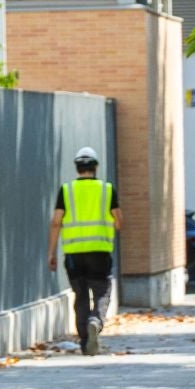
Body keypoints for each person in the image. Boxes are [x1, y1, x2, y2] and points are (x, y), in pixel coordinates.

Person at [48, 147, 122, 355]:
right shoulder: (107, 190)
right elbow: (118, 221)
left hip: (73, 253)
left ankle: (84, 341)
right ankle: (95, 321)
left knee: (80, 295)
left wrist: (51, 253)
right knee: (102, 291)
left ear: (77, 168)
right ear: (95, 167)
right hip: (99, 251)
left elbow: (56, 222)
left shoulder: (66, 190)